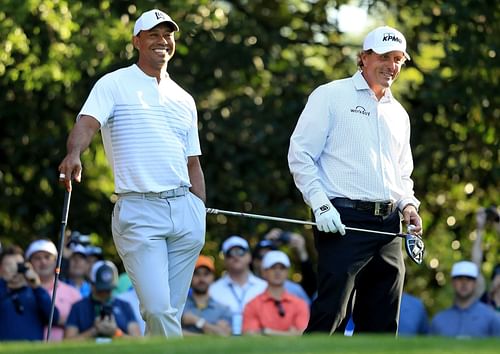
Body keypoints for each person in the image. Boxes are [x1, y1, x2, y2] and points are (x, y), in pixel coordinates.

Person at [58, 8, 206, 337]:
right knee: (157, 309)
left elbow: (192, 162)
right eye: (153, 34)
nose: (162, 41)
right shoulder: (114, 84)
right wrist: (74, 153)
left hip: (186, 211)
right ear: (137, 41)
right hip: (139, 211)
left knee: (168, 315)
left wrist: (199, 208)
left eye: (167, 34)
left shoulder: (184, 98)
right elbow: (87, 123)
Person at [288, 25, 422, 335]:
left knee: (382, 323)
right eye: (384, 57)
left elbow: (401, 174)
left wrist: (408, 206)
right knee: (332, 315)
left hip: (389, 226)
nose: (391, 66)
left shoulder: (398, 114)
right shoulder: (330, 95)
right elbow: (300, 155)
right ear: (363, 58)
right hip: (342, 219)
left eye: (399, 59)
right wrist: (321, 206)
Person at [65, 260, 141, 340]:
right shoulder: (78, 307)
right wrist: (94, 331)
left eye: (108, 290)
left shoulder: (124, 306)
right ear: (92, 284)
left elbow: (137, 342)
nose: (105, 294)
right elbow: (67, 343)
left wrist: (115, 332)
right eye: (101, 290)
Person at [209, 236, 267, 335]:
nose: (235, 256)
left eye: (240, 252)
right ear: (225, 260)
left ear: (249, 257)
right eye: (230, 253)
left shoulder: (264, 287)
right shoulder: (213, 289)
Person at [26, 239, 82, 341]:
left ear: (56, 261)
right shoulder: (22, 292)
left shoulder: (73, 293)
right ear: (29, 263)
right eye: (37, 258)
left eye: (47, 257)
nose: (43, 262)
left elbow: (82, 323)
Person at [243, 251, 310, 336]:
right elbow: (250, 336)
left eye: (282, 268)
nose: (278, 271)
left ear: (287, 272)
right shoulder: (252, 305)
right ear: (264, 272)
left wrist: (267, 332)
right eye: (273, 268)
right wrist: (290, 334)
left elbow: (303, 335)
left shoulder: (300, 304)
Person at [0, 245, 59, 341]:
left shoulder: (36, 293)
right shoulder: (1, 290)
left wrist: (37, 287)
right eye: (9, 265)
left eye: (18, 265)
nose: (15, 269)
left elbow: (53, 318)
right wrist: (3, 282)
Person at [430, 261, 500, 338]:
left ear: (475, 283)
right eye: (459, 278)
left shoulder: (491, 318)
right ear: (452, 282)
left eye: (469, 279)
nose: (464, 283)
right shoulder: (439, 320)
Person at [251, 234, 311, 305]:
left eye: (281, 267)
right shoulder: (249, 289)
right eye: (262, 257)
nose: (277, 271)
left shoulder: (294, 290)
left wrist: (302, 251)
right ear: (254, 262)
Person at [182, 255, 232, 336]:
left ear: (213, 277)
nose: (201, 278)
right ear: (189, 277)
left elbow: (225, 335)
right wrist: (213, 330)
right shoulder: (179, 307)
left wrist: (197, 321)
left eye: (206, 274)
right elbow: (170, 333)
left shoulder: (223, 309)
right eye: (197, 274)